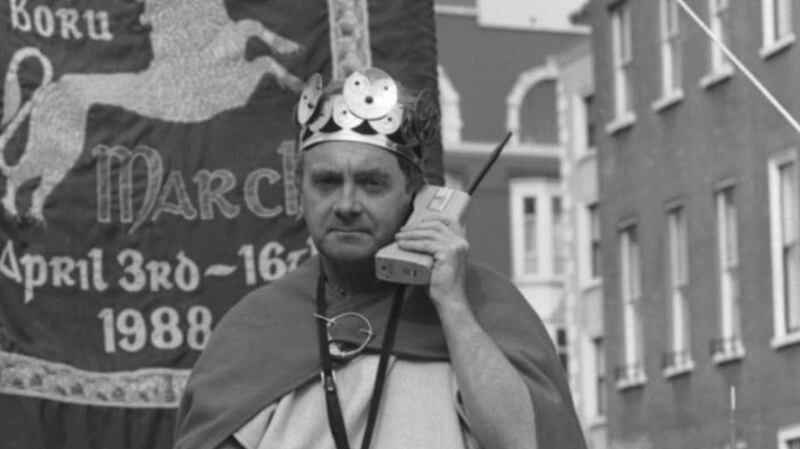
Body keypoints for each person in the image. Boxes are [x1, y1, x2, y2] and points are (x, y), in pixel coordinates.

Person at [173, 67, 587, 449]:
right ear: (300, 190)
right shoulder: (256, 326)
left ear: (416, 193)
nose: (347, 204)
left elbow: (526, 443)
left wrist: (453, 306)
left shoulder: (486, 305)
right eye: (327, 182)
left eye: (371, 183)